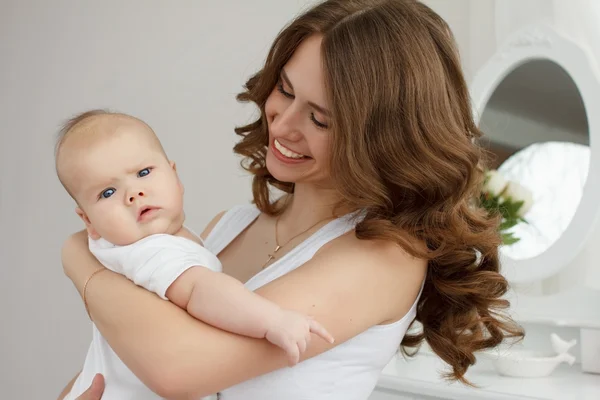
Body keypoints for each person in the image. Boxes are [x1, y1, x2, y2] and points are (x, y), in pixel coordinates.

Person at [59, 0, 524, 399]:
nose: (282, 125)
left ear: (382, 139)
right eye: (284, 89)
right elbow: (114, 360)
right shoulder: (229, 226)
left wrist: (80, 258)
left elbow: (177, 368)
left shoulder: (383, 257)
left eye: (319, 119)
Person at [54, 110, 333, 399]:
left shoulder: (118, 250)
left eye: (143, 173)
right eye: (108, 192)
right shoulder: (152, 250)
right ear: (88, 221)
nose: (133, 193)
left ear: (174, 174)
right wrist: (273, 320)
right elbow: (201, 291)